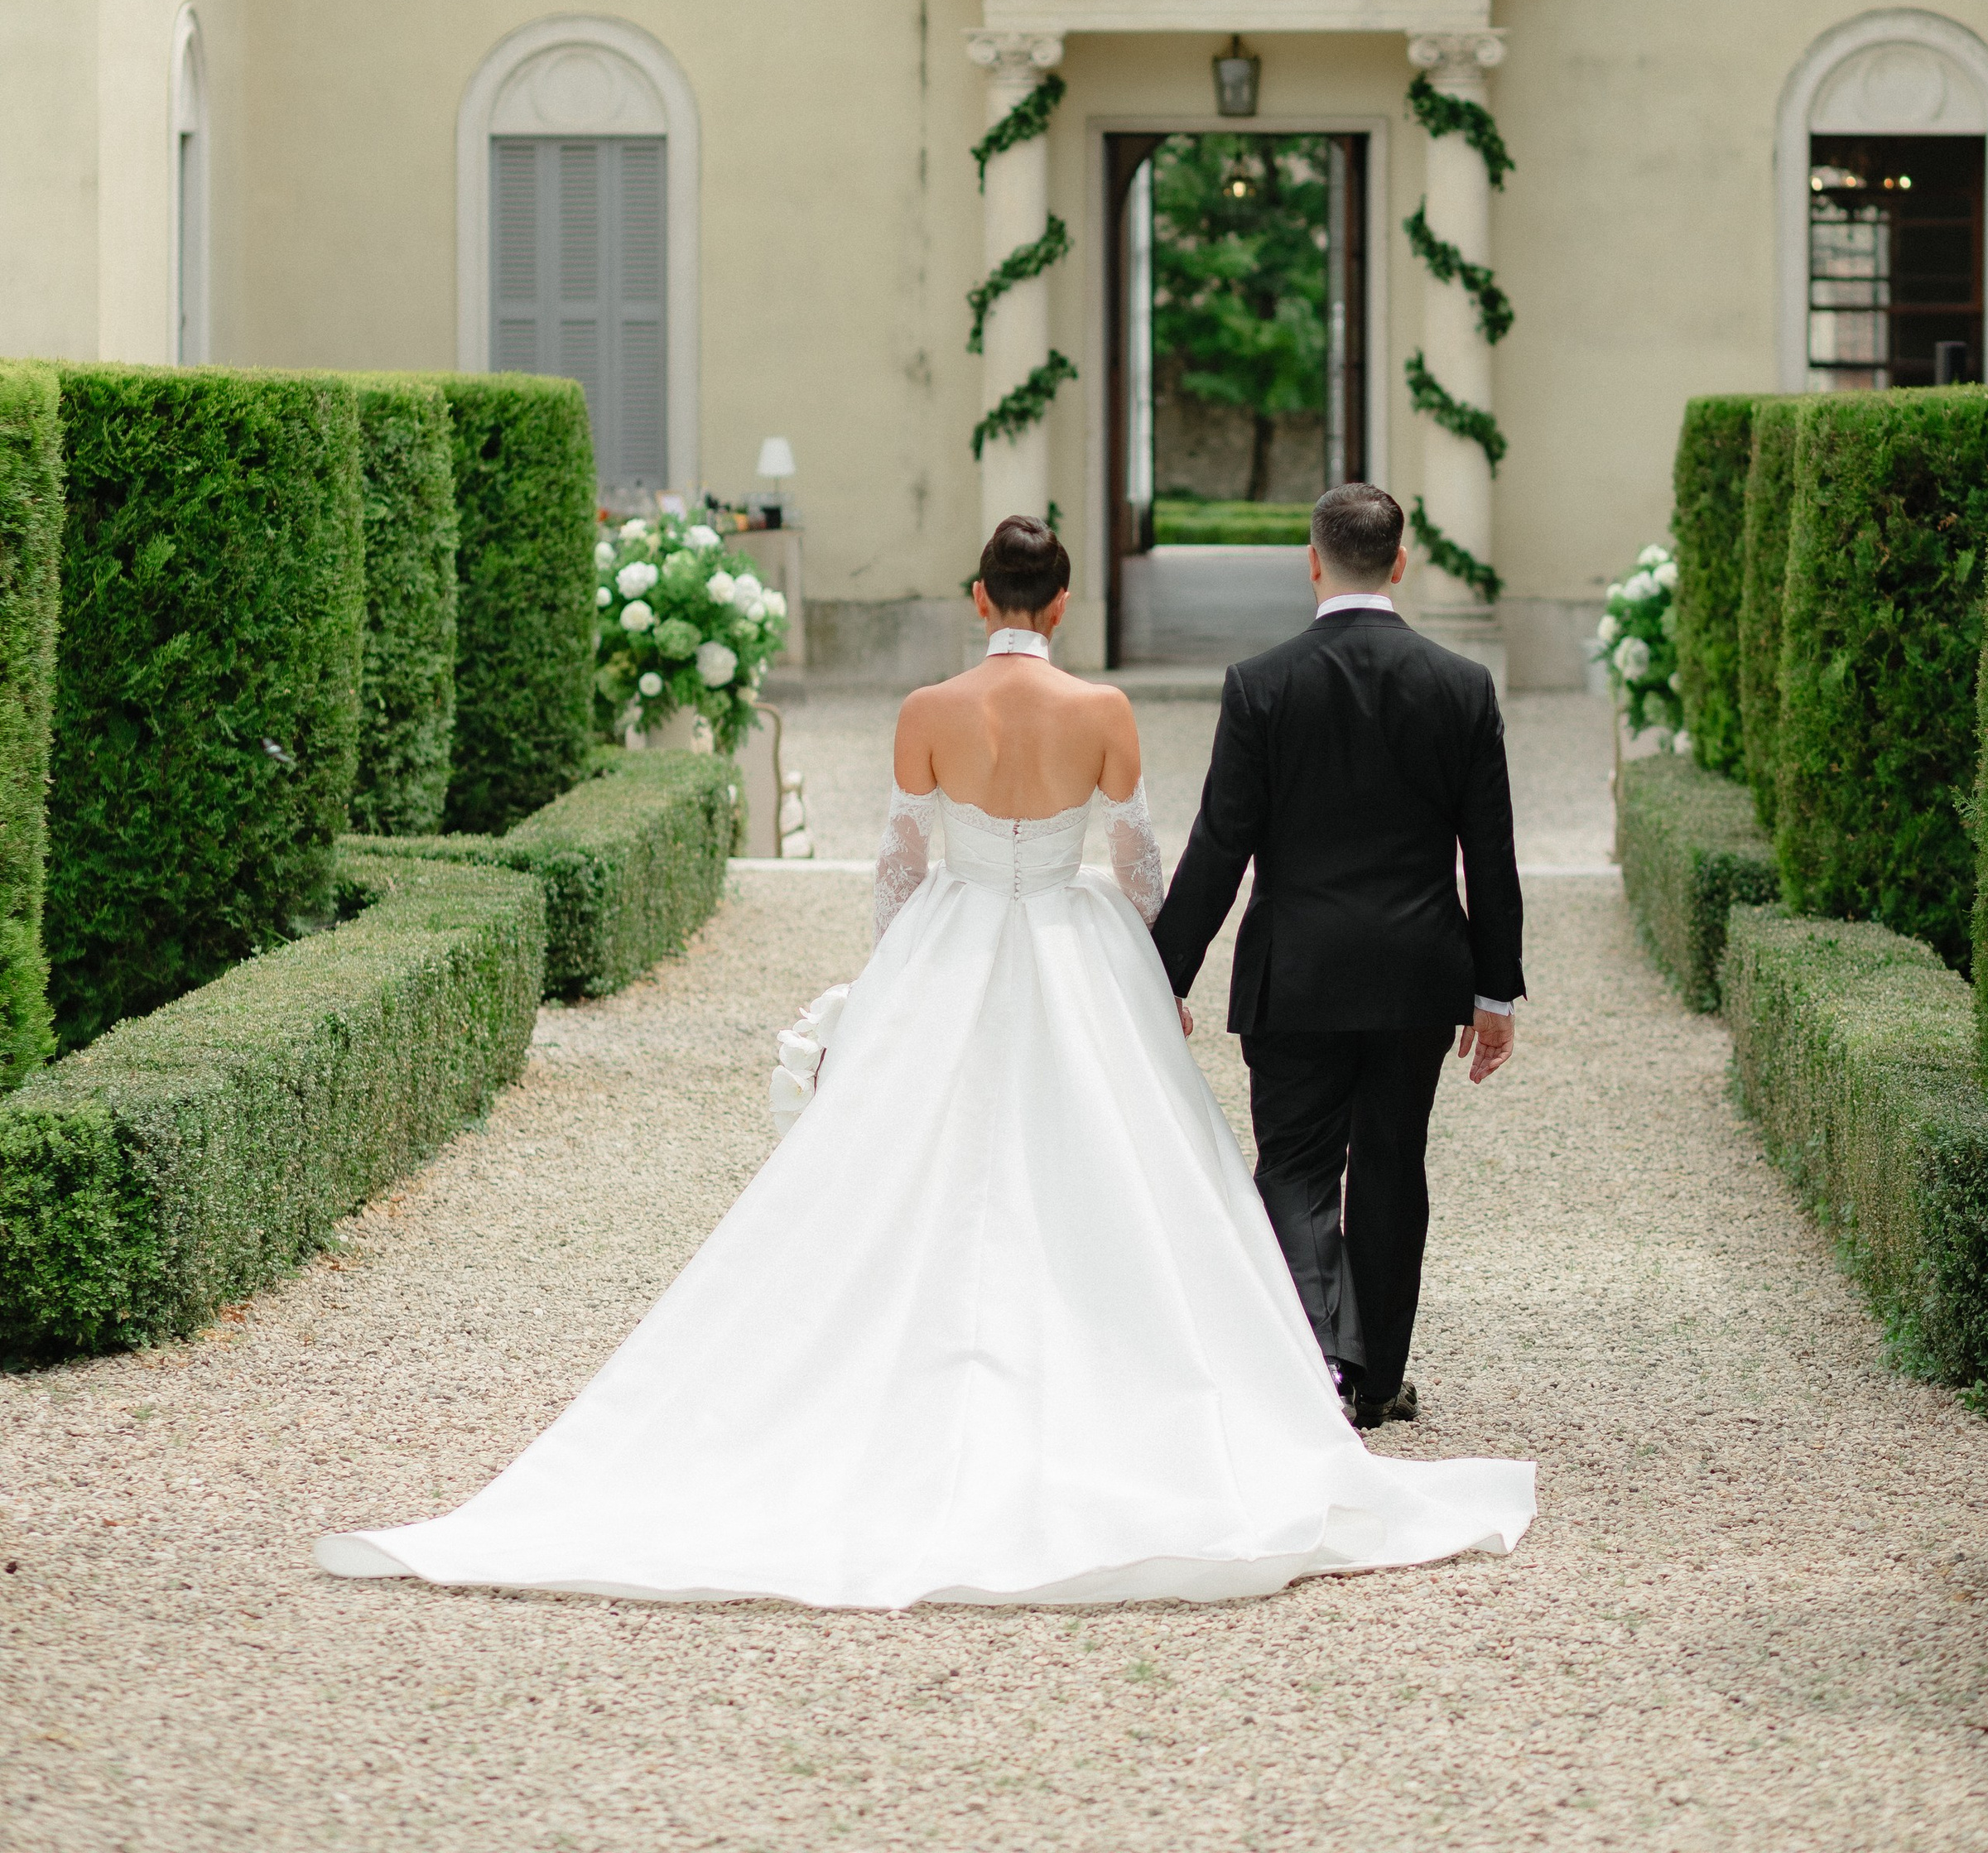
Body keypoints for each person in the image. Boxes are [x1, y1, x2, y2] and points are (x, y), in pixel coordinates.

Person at [315, 514, 1533, 1608]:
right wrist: (1155, 977)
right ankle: (1311, 1366)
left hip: (958, 944)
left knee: (951, 1161)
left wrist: (891, 985)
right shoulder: (1106, 713)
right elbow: (1144, 856)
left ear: (977, 596)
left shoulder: (925, 712)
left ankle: (1051, 1353)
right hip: (1083, 942)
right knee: (1138, 1162)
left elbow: (901, 864)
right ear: (1059, 605)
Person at [1152, 479, 1525, 1433]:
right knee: (1395, 1167)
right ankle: (1376, 1376)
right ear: (1401, 564)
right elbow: (1490, 853)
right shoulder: (1461, 686)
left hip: (1297, 973)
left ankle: (1318, 1353)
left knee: (1297, 1166)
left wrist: (1159, 978)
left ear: (1311, 562)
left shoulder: (1261, 685)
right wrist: (1495, 992)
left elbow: (1218, 848)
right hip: (1415, 974)